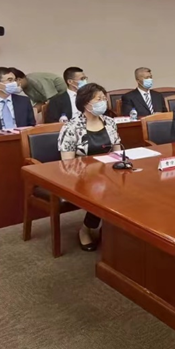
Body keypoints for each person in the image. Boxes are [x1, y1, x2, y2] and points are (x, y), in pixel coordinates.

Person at [57, 83, 121, 251]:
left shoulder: (109, 122)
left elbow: (117, 151)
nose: (103, 102)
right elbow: (67, 163)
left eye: (104, 98)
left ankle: (112, 229)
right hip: (81, 175)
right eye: (99, 99)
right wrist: (93, 171)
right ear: (86, 103)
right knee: (102, 190)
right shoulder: (71, 127)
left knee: (128, 186)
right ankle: (86, 229)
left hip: (108, 172)